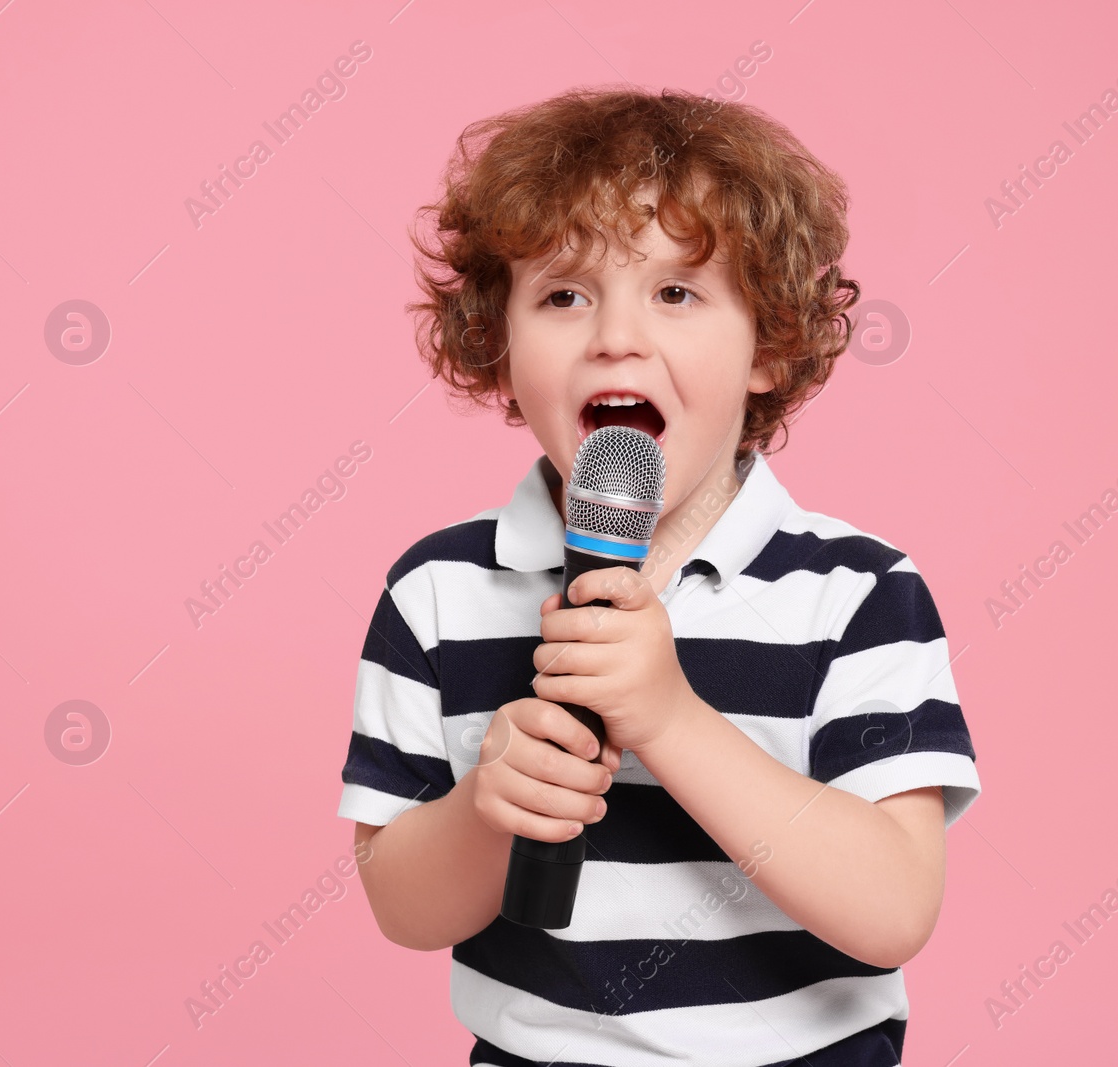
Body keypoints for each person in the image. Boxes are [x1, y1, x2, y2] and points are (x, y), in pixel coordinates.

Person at [336, 85, 981, 1066]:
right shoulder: (438, 591)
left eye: (675, 292)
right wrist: (488, 806)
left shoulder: (856, 593)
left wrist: (670, 718)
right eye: (563, 294)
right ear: (499, 349)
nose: (614, 337)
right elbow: (402, 904)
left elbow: (892, 908)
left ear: (766, 342)